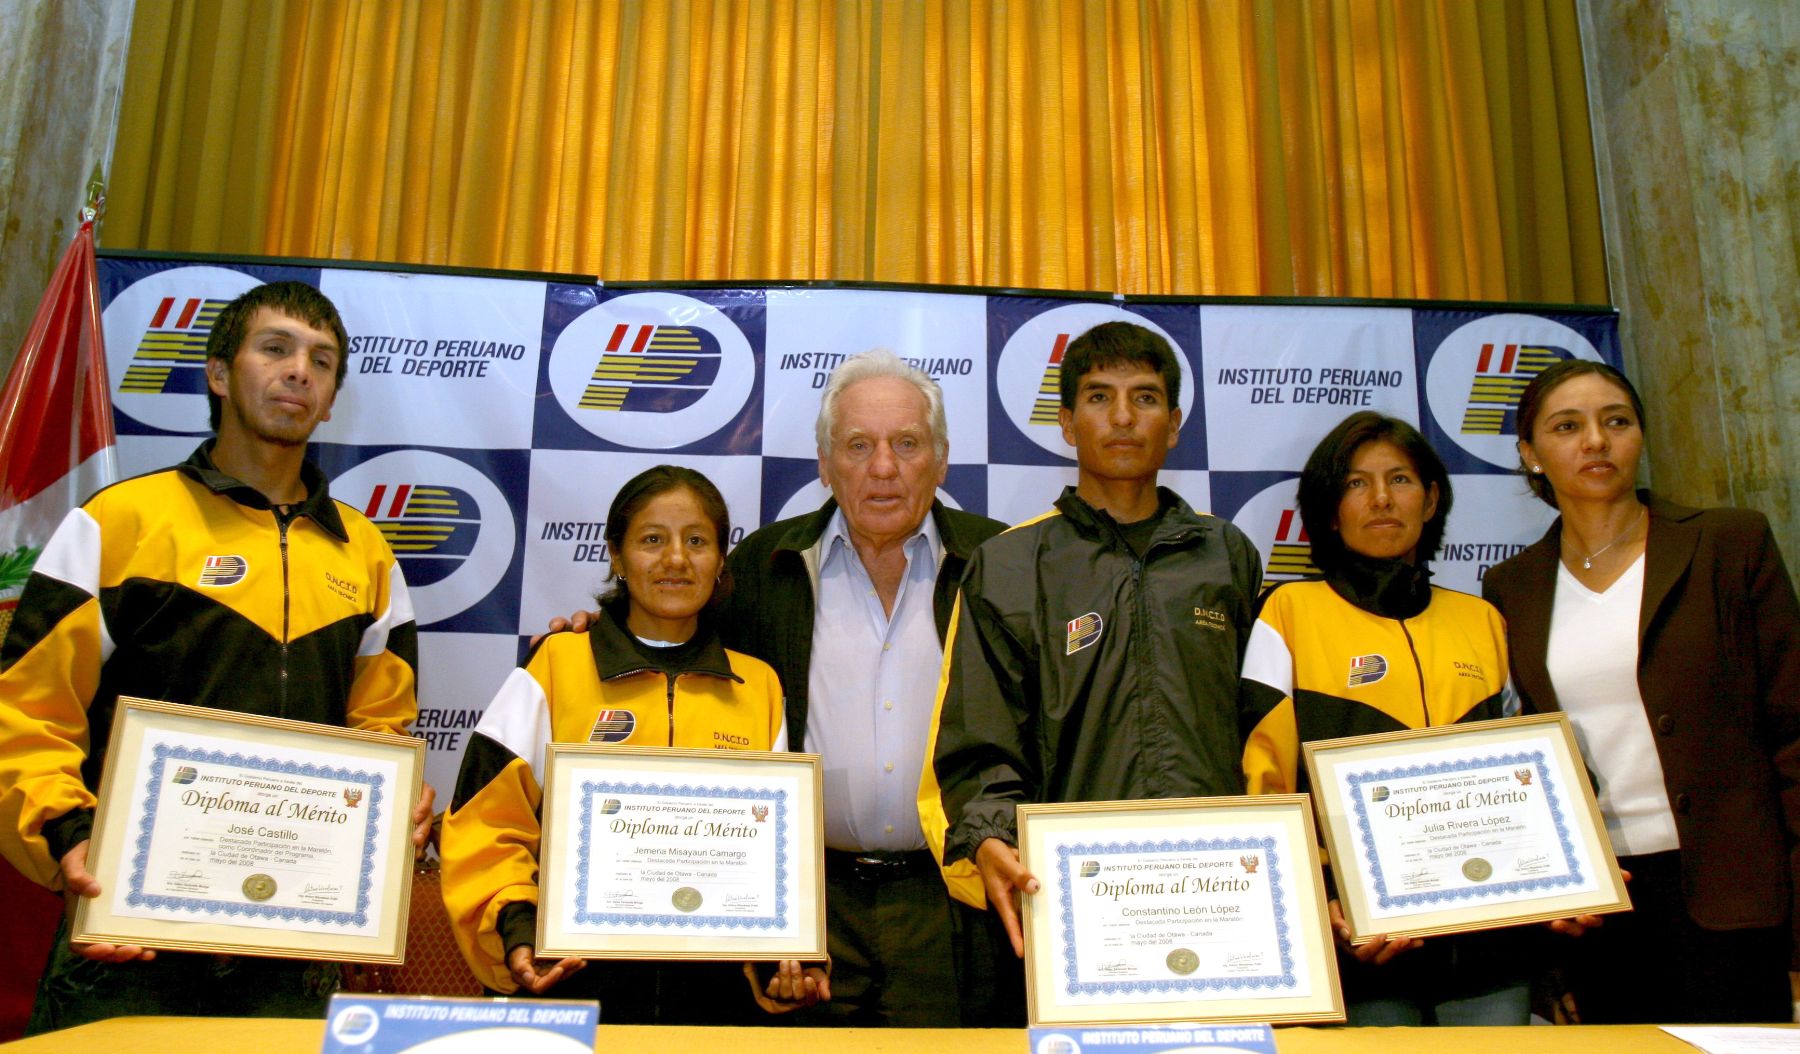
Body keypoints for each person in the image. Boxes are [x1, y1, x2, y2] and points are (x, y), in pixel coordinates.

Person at [0, 281, 430, 1032]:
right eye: (276, 349)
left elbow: (381, 729)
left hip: (295, 943)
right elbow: (27, 714)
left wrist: (393, 815)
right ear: (220, 372)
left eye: (322, 361)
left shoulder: (366, 555)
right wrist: (71, 839)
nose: (300, 371)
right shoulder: (119, 523)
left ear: (332, 399)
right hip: (127, 932)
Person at [553, 351, 1012, 1025]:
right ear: (825, 464)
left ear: (942, 461)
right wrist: (601, 629)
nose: (882, 467)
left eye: (906, 444)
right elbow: (679, 644)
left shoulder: (1001, 564)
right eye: (858, 446)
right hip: (806, 900)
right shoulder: (763, 567)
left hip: (951, 903)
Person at [923, 320, 1263, 958]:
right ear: (1068, 423)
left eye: (1145, 397)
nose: (1124, 417)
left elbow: (1266, 733)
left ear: (1175, 422)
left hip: (1221, 891)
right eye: (1100, 397)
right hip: (1074, 897)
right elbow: (979, 737)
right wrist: (992, 834)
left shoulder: (1227, 556)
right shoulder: (1010, 564)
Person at [1482, 359, 1800, 1024]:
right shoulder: (1512, 587)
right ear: (1530, 455)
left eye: (1616, 422)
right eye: (1568, 426)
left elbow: (1793, 729)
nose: (1596, 441)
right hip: (1601, 908)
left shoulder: (1726, 543)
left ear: (1641, 438)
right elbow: (1523, 768)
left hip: (1737, 892)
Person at [440, 465, 804, 1023]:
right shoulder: (555, 667)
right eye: (652, 540)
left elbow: (785, 856)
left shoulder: (760, 688)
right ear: (616, 555)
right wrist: (517, 927)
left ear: (721, 560)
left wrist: (783, 961)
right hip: (574, 984)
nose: (676, 559)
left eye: (698, 541)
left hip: (715, 1002)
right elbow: (483, 824)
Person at [1239, 410, 1527, 1025]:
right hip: (1358, 947)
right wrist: (1322, 909)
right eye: (1354, 483)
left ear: (1431, 500)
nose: (1379, 499)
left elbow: (1528, 781)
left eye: (1399, 480)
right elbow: (1261, 789)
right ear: (1328, 506)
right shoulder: (1287, 613)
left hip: (1490, 940)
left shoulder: (1482, 620)